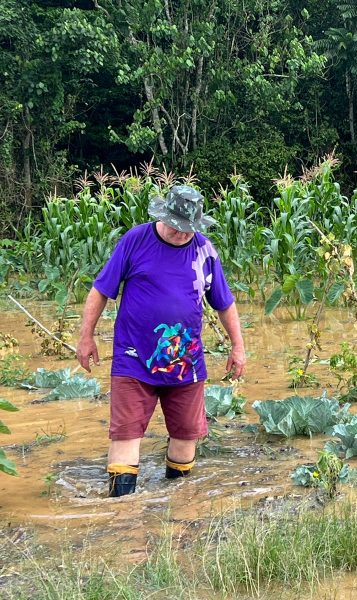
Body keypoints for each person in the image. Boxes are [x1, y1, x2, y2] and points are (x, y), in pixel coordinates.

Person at [76, 184, 246, 497]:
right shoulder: (136, 240)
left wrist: (238, 346)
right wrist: (86, 336)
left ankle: (177, 508)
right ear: (163, 216)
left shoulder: (205, 250)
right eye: (175, 226)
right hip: (133, 358)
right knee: (125, 433)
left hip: (185, 362)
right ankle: (121, 511)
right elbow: (101, 290)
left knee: (186, 434)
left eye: (187, 228)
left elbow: (224, 303)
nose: (181, 233)